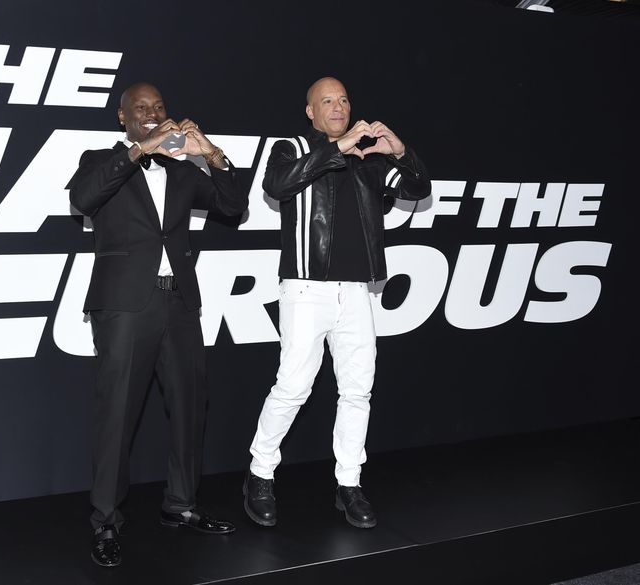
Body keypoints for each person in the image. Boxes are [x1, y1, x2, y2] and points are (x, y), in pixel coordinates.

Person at [68, 82, 247, 567]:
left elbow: (234, 206)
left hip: (180, 304)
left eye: (159, 107)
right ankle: (105, 520)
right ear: (122, 118)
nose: (152, 114)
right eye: (140, 109)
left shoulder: (183, 168)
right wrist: (139, 150)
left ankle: (182, 505)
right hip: (125, 306)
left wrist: (209, 152)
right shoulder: (99, 160)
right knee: (118, 412)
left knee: (191, 405)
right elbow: (83, 199)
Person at [243, 77, 431, 529]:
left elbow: (416, 189)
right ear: (311, 111)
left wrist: (400, 151)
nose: (338, 105)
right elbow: (278, 184)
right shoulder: (291, 147)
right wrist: (337, 148)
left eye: (344, 99)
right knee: (293, 387)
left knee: (357, 391)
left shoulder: (369, 159)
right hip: (306, 289)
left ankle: (349, 483)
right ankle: (259, 473)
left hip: (357, 291)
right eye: (327, 100)